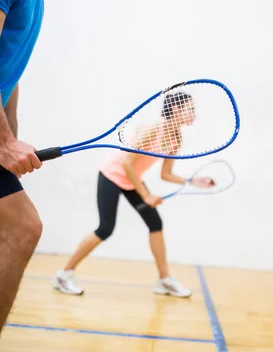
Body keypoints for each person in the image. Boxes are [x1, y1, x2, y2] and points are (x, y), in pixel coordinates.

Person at [0, 0, 87, 352]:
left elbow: (8, 74)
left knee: (18, 228)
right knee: (22, 229)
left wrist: (13, 134)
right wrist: (4, 143)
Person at [53, 92, 214, 298]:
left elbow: (166, 174)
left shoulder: (176, 138)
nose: (194, 114)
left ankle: (165, 281)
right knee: (105, 229)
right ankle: (63, 275)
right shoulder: (152, 129)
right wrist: (146, 195)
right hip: (112, 175)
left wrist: (192, 181)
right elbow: (127, 164)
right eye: (190, 109)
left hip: (131, 180)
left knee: (155, 224)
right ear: (175, 109)